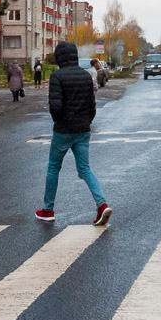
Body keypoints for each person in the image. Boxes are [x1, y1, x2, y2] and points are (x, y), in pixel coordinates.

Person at [36, 40, 111, 226]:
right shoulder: (86, 76)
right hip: (83, 129)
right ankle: (102, 205)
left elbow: (56, 106)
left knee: (54, 167)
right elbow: (92, 106)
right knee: (85, 169)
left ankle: (48, 210)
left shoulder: (57, 76)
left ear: (60, 56)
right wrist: (86, 122)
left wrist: (60, 121)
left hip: (63, 130)